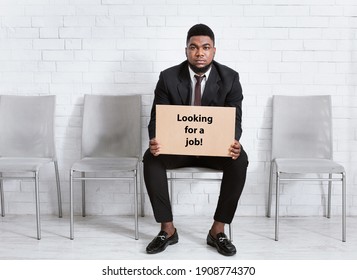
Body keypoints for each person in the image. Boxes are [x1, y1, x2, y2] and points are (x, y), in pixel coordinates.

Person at [143, 24, 248, 256]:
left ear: (214, 51)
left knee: (240, 160)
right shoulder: (168, 77)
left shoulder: (230, 78)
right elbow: (156, 118)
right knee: (151, 159)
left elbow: (235, 119)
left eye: (205, 47)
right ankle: (167, 229)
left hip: (214, 148)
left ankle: (217, 230)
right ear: (186, 50)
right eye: (194, 47)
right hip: (178, 147)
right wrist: (155, 139)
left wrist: (233, 141)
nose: (199, 53)